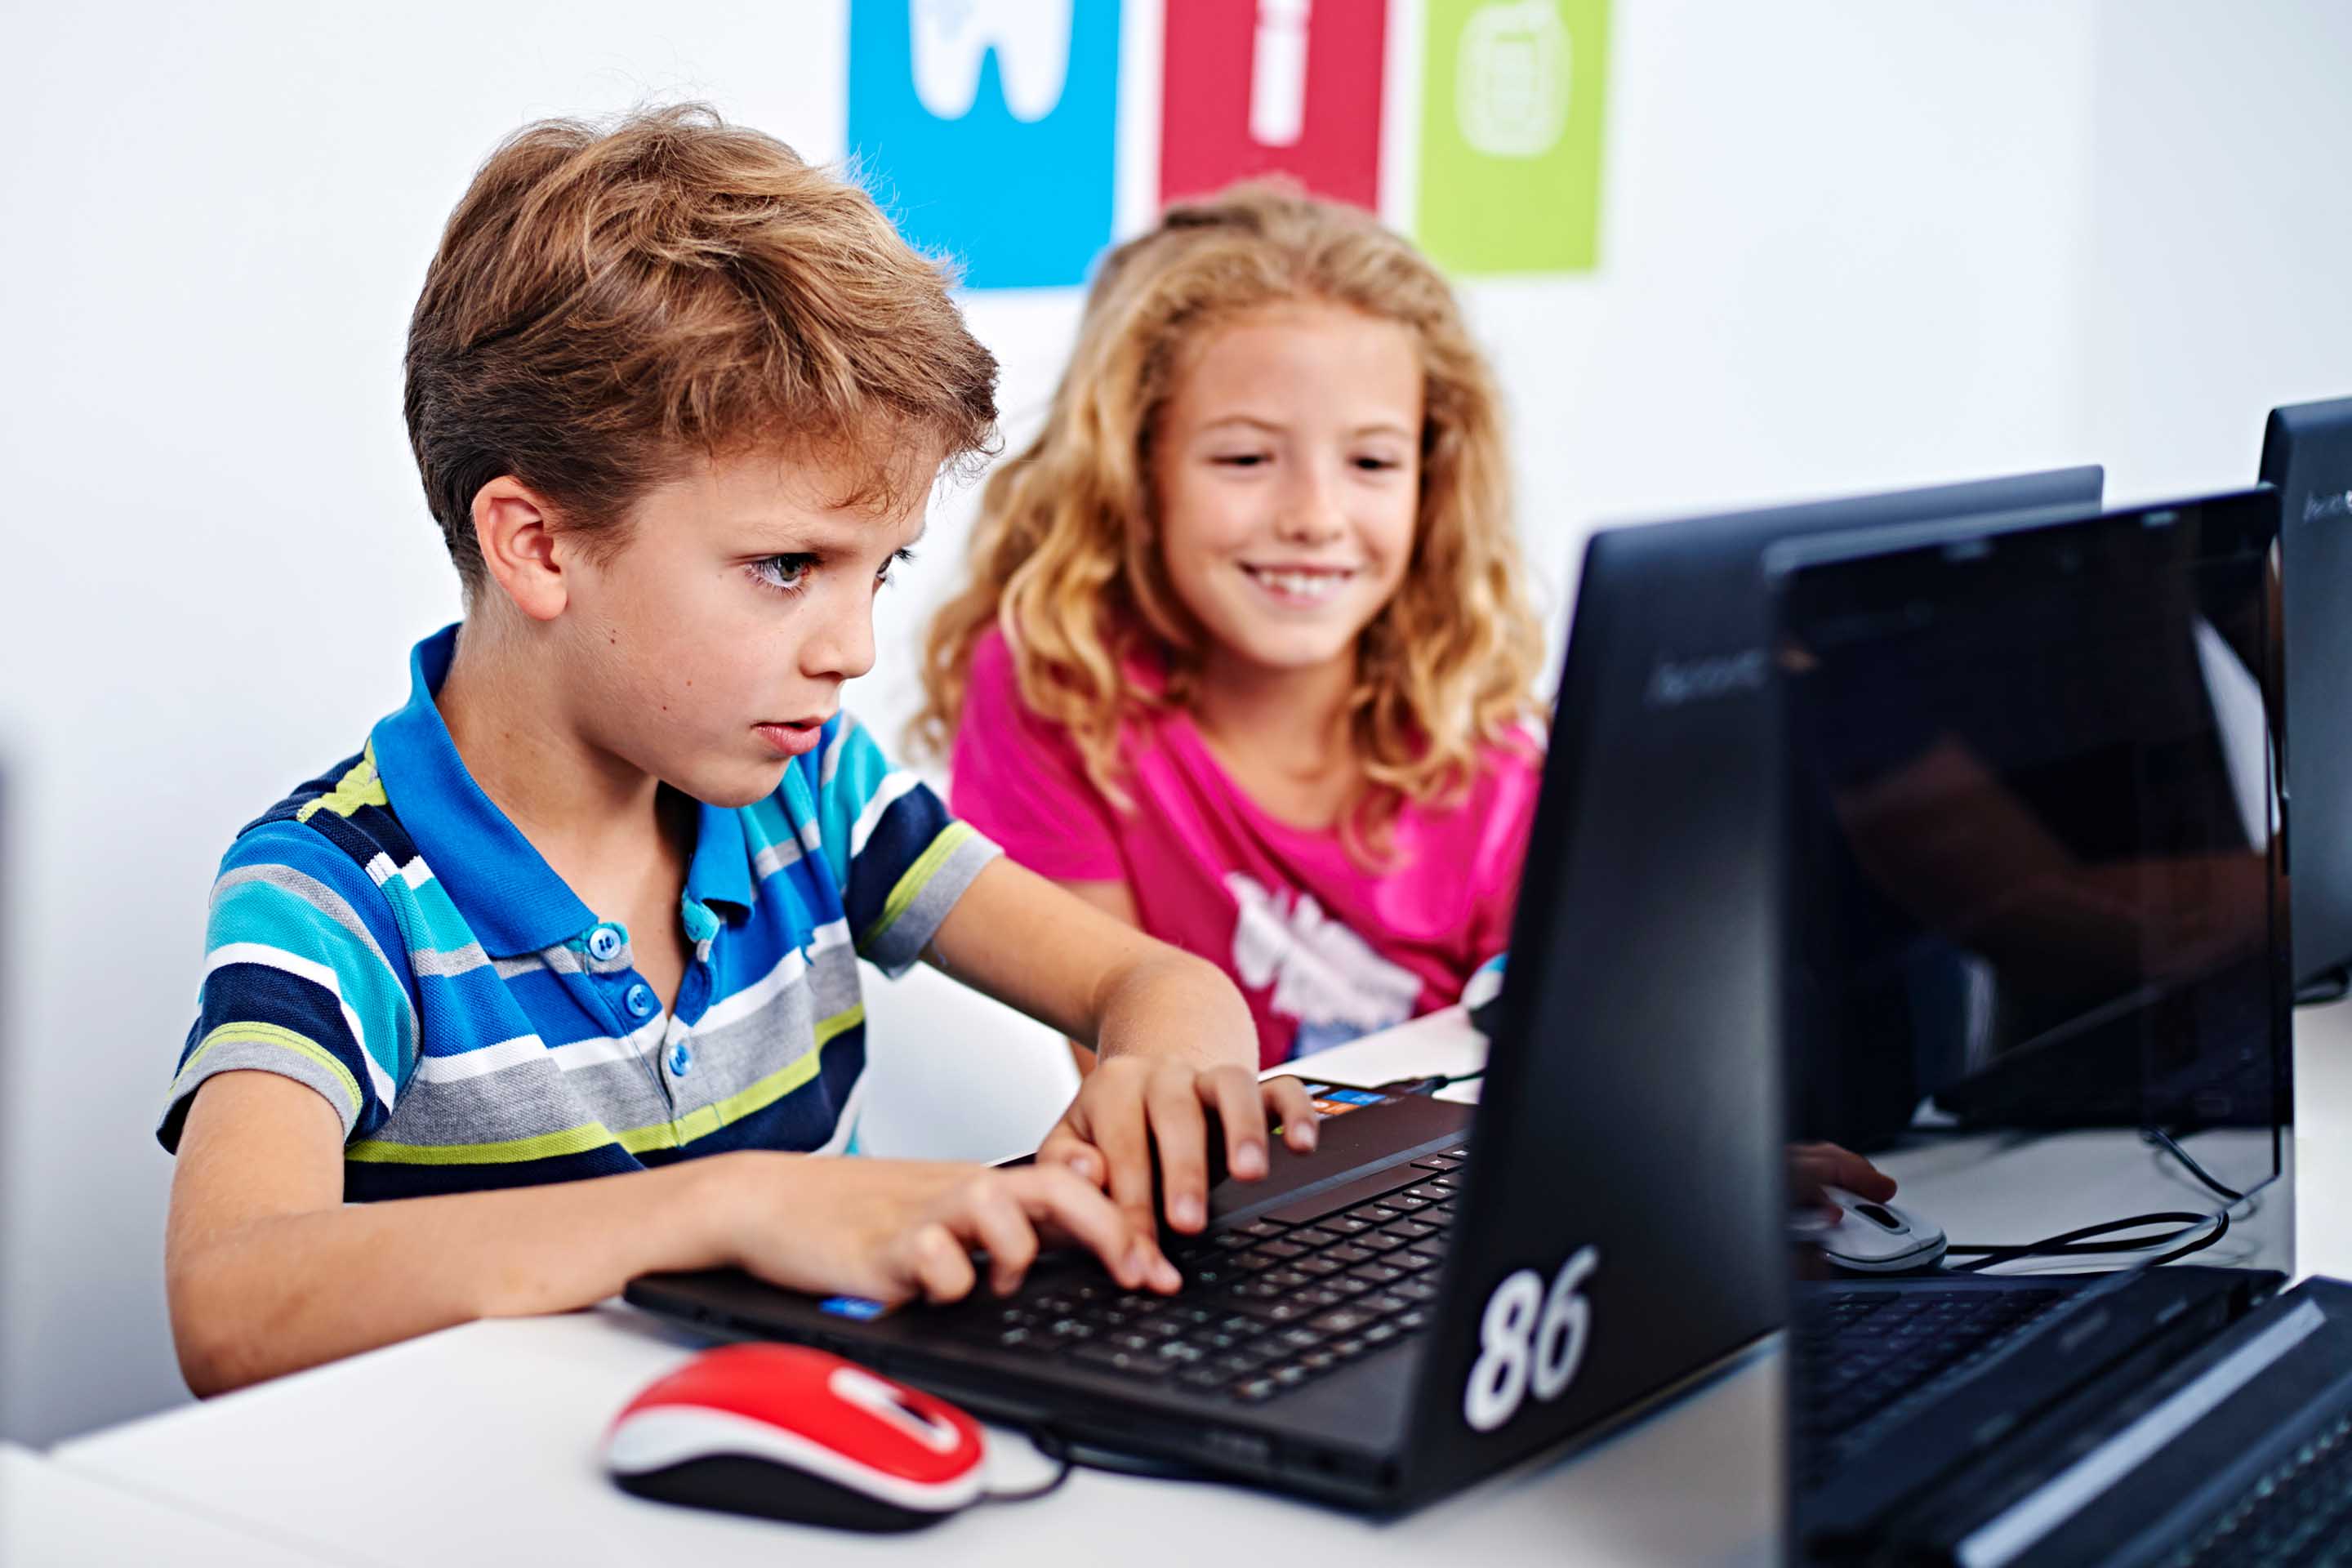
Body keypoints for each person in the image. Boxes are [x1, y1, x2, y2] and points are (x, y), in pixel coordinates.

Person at [158, 107, 1317, 1399]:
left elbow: (1159, 985)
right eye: (786, 568)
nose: (856, 648)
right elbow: (230, 1301)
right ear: (538, 545)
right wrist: (725, 1209)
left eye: (881, 570)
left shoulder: (817, 795)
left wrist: (1168, 1063)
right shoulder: (333, 897)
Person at [915, 185, 1551, 1070]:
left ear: (1432, 484)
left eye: (1371, 460)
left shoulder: (1497, 761)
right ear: (1134, 472)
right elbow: (1135, 1085)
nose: (1315, 516)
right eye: (1246, 458)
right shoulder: (1058, 686)